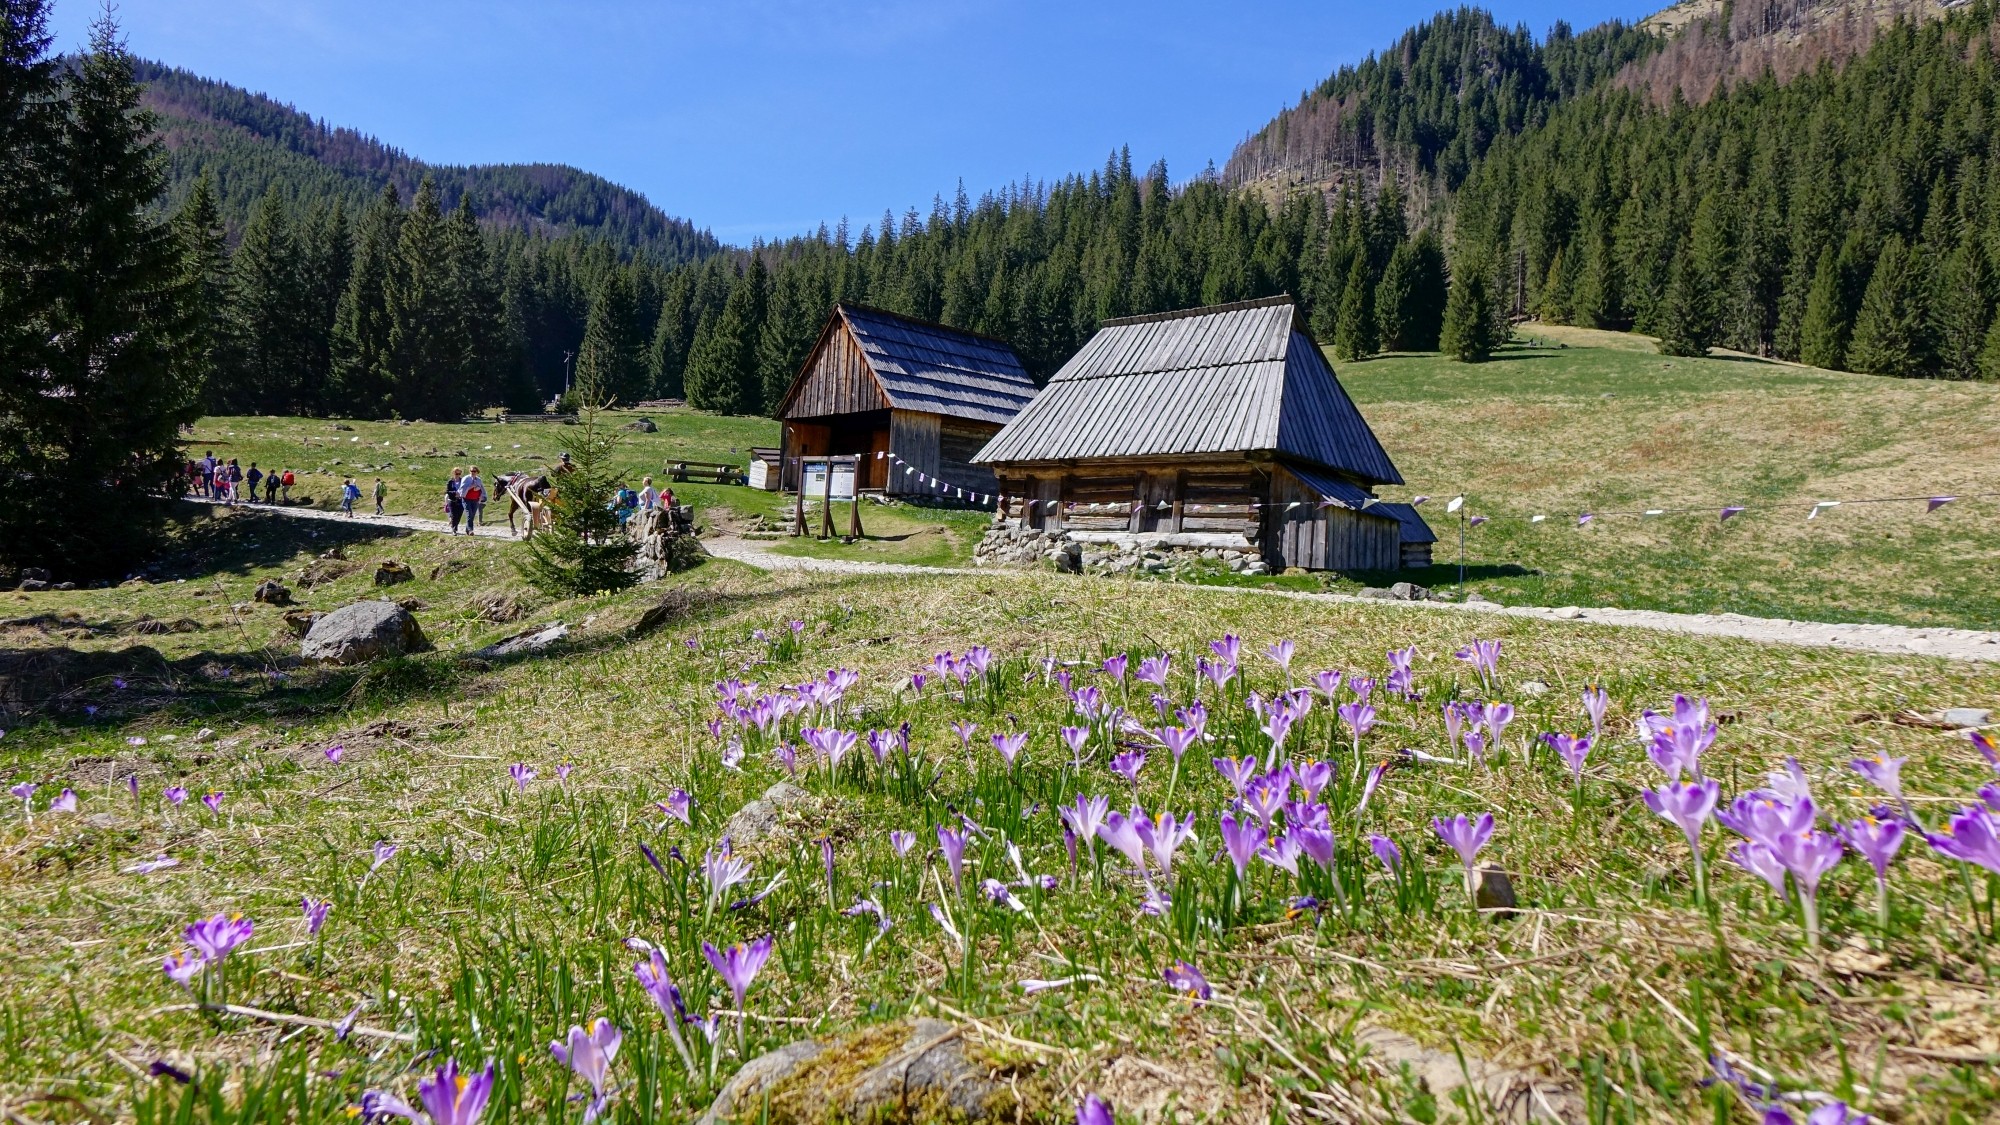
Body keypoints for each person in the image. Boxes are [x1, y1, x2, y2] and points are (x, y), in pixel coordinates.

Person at [462, 466, 486, 533]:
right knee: (469, 514)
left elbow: (481, 489)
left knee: (472, 515)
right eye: (471, 471)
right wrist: (471, 486)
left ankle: (467, 529)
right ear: (469, 471)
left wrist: (481, 495)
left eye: (474, 471)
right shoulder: (466, 478)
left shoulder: (479, 480)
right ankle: (470, 530)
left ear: (477, 472)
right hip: (466, 499)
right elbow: (462, 489)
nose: (473, 472)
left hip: (475, 500)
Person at [445, 468, 465, 534]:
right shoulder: (450, 482)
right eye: (456, 474)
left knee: (459, 515)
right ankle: (454, 529)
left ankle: (455, 526)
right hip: (452, 501)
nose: (458, 475)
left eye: (459, 474)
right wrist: (455, 493)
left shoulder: (463, 481)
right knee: (454, 515)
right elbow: (447, 491)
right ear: (454, 473)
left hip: (461, 501)